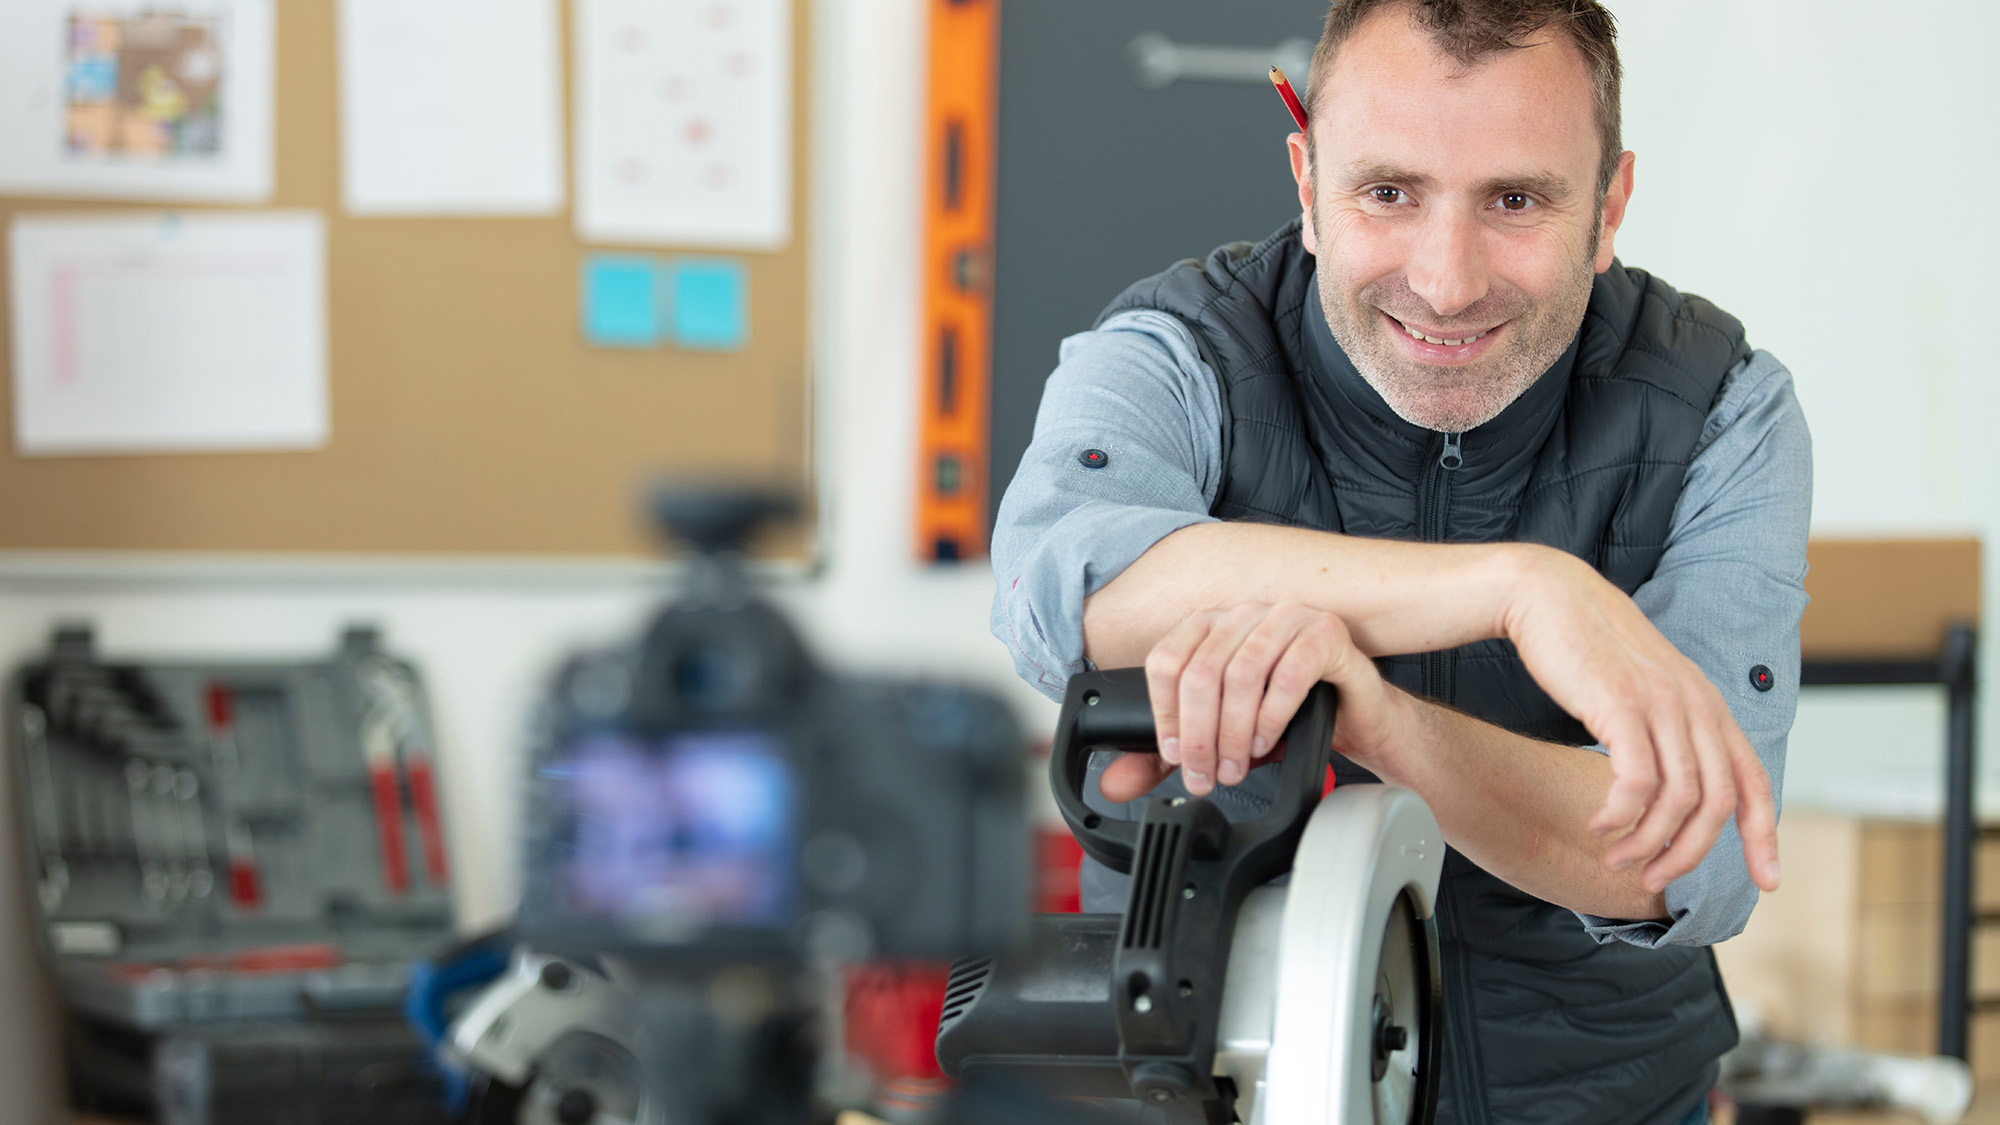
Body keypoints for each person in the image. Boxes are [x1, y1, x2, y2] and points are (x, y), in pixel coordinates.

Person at [987, 1, 1812, 1123]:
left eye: (1515, 201)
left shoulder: (1724, 407)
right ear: (1306, 182)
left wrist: (1372, 714)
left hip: (1599, 1098)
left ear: (1608, 206)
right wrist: (1519, 590)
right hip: (1206, 1081)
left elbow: (1685, 851)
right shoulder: (1172, 352)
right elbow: (1064, 583)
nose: (1445, 281)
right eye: (1387, 193)